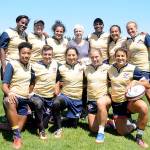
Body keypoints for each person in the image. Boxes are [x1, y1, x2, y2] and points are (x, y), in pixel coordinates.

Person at [108, 47, 149, 148]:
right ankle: (133, 124)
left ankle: (139, 137)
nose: (120, 58)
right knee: (121, 132)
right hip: (117, 104)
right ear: (114, 57)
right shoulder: (110, 69)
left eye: (123, 56)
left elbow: (147, 84)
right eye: (118, 56)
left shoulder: (133, 68)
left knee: (143, 107)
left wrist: (135, 81)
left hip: (130, 102)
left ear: (127, 57)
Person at [2, 42, 33, 149]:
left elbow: (32, 83)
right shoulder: (12, 64)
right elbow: (4, 85)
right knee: (8, 101)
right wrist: (9, 93)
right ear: (19, 53)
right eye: (23, 53)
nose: (26, 55)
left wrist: (29, 94)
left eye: (28, 53)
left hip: (24, 101)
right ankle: (17, 138)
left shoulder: (31, 66)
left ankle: (5, 126)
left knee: (16, 127)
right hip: (13, 98)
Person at [52, 47, 85, 138]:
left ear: (77, 56)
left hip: (77, 99)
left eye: (73, 55)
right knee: (56, 103)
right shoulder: (61, 68)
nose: (71, 57)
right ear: (66, 56)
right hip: (65, 97)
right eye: (69, 55)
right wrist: (57, 93)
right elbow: (57, 81)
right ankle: (58, 128)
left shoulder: (83, 67)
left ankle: (65, 118)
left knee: (73, 125)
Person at [29, 45, 60, 140]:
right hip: (37, 95)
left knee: (45, 123)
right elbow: (31, 82)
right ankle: (42, 131)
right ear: (41, 54)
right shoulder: (35, 65)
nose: (47, 56)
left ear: (52, 55)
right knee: (38, 104)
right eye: (45, 54)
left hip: (50, 97)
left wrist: (57, 89)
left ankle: (32, 119)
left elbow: (58, 80)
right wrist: (29, 94)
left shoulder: (56, 64)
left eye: (49, 54)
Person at [85, 49, 111, 143]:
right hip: (91, 100)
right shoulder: (86, 68)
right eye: (92, 57)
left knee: (100, 103)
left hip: (104, 98)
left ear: (101, 57)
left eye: (96, 57)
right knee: (93, 129)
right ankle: (109, 122)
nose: (94, 59)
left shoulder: (108, 68)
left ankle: (101, 133)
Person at [126, 21, 150, 104]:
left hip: (144, 69)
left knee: (147, 90)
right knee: (133, 93)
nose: (130, 31)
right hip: (133, 71)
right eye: (128, 29)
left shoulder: (144, 36)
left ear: (136, 28)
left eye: (132, 28)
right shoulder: (127, 41)